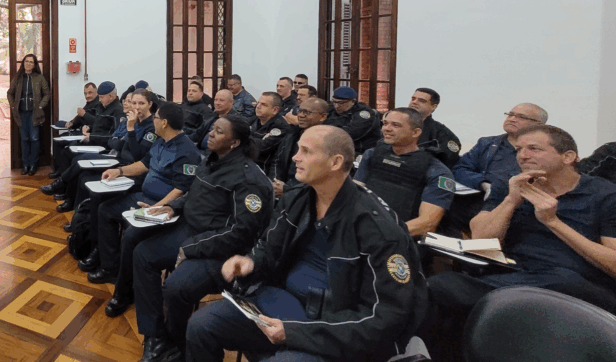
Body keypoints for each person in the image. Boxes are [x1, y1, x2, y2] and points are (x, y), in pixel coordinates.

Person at [183, 126, 427, 362]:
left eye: (306, 152)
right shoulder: (298, 197)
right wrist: (250, 262)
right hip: (281, 304)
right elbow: (269, 247)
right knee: (202, 325)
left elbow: (385, 316)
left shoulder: (378, 228)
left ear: (335, 162)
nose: (295, 158)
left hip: (332, 326)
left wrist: (295, 333)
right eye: (298, 149)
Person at [422, 125, 616, 362]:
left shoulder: (605, 195)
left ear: (568, 157)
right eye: (519, 149)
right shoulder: (511, 186)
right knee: (438, 287)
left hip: (576, 283)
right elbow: (482, 241)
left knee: (561, 282)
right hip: (512, 273)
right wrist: (511, 201)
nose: (523, 155)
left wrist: (553, 222)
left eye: (534, 148)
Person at [132, 116, 273, 362]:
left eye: (219, 132)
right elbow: (195, 195)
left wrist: (191, 248)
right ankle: (155, 335)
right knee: (143, 254)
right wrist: (173, 207)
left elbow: (242, 233)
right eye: (212, 129)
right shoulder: (211, 160)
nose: (211, 134)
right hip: (192, 231)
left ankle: (178, 346)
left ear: (234, 142)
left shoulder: (249, 179)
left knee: (176, 288)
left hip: (222, 250)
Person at [84, 101, 198, 282]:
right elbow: (144, 164)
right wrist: (119, 171)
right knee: (105, 210)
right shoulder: (160, 140)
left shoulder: (187, 151)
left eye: (156, 117)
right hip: (143, 197)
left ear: (164, 123)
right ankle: (109, 267)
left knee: (130, 235)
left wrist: (157, 207)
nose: (153, 120)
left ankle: (126, 285)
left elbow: (181, 189)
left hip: (162, 207)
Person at [443, 102, 547, 234]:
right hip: (474, 201)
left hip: (512, 209)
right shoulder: (487, 143)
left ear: (539, 125)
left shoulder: (542, 153)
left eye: (521, 117)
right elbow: (460, 169)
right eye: (510, 114)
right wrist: (483, 183)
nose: (512, 119)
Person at [355, 108, 455, 237]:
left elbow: (427, 224)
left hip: (398, 239)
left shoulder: (437, 171)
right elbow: (355, 194)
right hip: (362, 229)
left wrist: (381, 235)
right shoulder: (372, 154)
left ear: (415, 132)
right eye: (385, 123)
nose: (387, 129)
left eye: (396, 125)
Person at [47, 81, 122, 180]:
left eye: (101, 97)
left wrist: (90, 133)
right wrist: (88, 128)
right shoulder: (102, 106)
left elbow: (114, 137)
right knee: (65, 150)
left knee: (72, 153)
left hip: (102, 145)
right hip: (92, 138)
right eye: (85, 93)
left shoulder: (118, 111)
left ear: (111, 96)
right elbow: (98, 124)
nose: (99, 100)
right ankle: (62, 181)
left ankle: (63, 183)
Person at [270, 98, 329, 195]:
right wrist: (275, 182)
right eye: (300, 111)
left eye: (307, 112)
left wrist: (287, 189)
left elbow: (320, 177)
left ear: (322, 117)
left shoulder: (327, 141)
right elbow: (277, 161)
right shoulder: (292, 134)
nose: (301, 115)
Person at [7, 53, 51, 175]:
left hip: (34, 114)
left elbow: (47, 94)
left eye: (31, 62)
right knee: (25, 139)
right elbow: (10, 93)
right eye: (27, 61)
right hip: (21, 113)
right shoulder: (18, 78)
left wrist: (41, 105)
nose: (28, 64)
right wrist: (13, 105)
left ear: (35, 65)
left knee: (34, 139)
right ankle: (25, 165)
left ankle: (33, 165)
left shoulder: (39, 78)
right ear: (23, 63)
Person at [408, 87, 462, 168]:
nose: (414, 102)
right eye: (413, 99)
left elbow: (446, 162)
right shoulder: (392, 125)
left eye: (421, 101)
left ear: (433, 107)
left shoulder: (443, 134)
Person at [326, 86, 381, 155]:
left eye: (341, 103)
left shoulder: (364, 113)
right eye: (334, 102)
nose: (336, 106)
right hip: (336, 148)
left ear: (353, 101)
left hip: (360, 151)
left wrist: (325, 134)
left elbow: (351, 133)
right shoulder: (331, 109)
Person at [251, 92, 289, 176]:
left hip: (264, 171)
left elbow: (261, 147)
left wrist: (244, 138)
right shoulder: (253, 120)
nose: (258, 106)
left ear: (275, 110)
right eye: (258, 103)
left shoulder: (280, 126)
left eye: (263, 105)